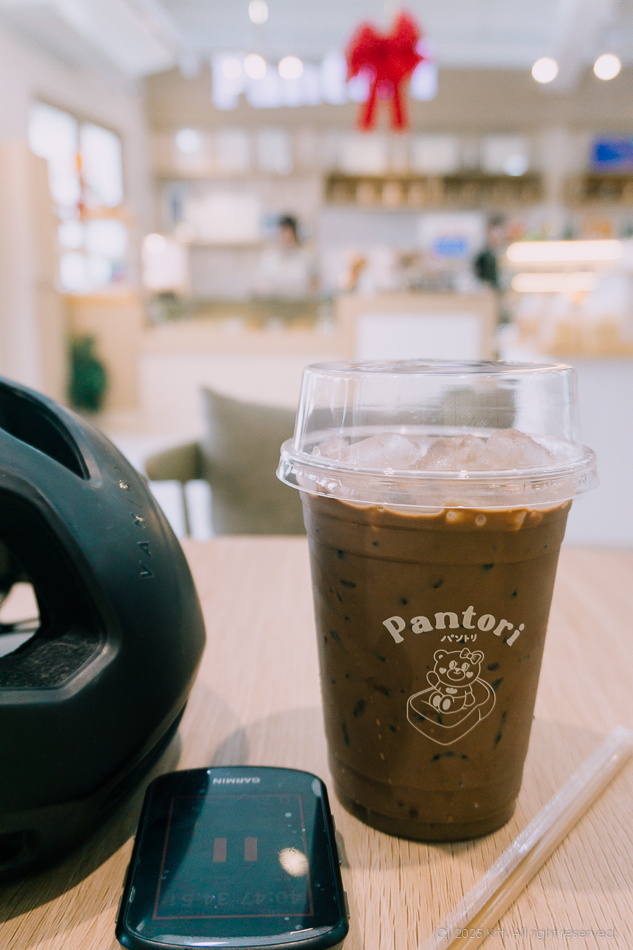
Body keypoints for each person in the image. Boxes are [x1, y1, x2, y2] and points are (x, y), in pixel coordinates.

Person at [253, 214, 317, 299]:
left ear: (295, 234)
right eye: (282, 233)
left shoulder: (306, 259)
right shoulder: (269, 259)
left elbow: (314, 287)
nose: (285, 237)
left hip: (300, 304)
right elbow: (261, 287)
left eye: (288, 233)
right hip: (274, 304)